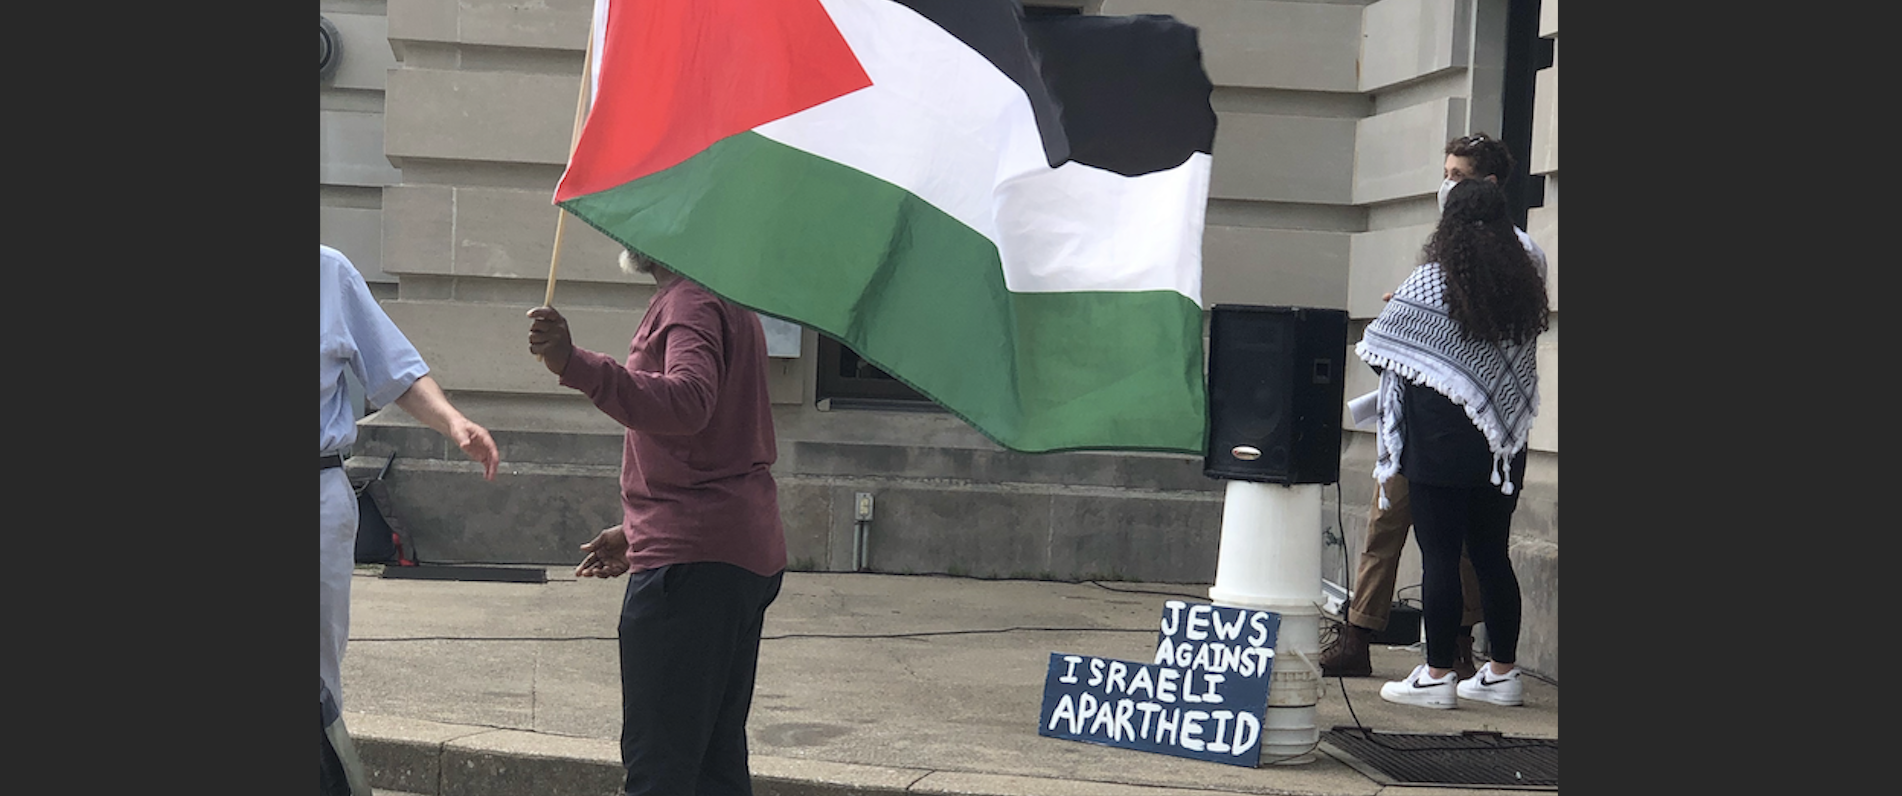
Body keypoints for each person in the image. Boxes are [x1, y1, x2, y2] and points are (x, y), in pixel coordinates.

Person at [527, 248, 787, 796]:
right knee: (713, 764)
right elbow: (718, 438)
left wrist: (575, 362)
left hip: (694, 560)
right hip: (730, 548)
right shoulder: (720, 298)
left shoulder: (690, 300)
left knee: (662, 768)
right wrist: (637, 531)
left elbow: (690, 403)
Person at [1320, 132, 1548, 681]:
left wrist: (1410, 321)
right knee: (1473, 548)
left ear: (1485, 186)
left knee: (1447, 552)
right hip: (1494, 437)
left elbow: (1383, 343)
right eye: (1445, 174)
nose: (1445, 186)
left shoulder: (1478, 264)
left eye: (1457, 178)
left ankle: (1443, 664)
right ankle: (1490, 668)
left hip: (1436, 431)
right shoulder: (1497, 265)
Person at [320, 245, 500, 711]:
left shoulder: (330, 272)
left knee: (318, 666)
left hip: (318, 490)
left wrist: (453, 422)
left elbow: (396, 372)